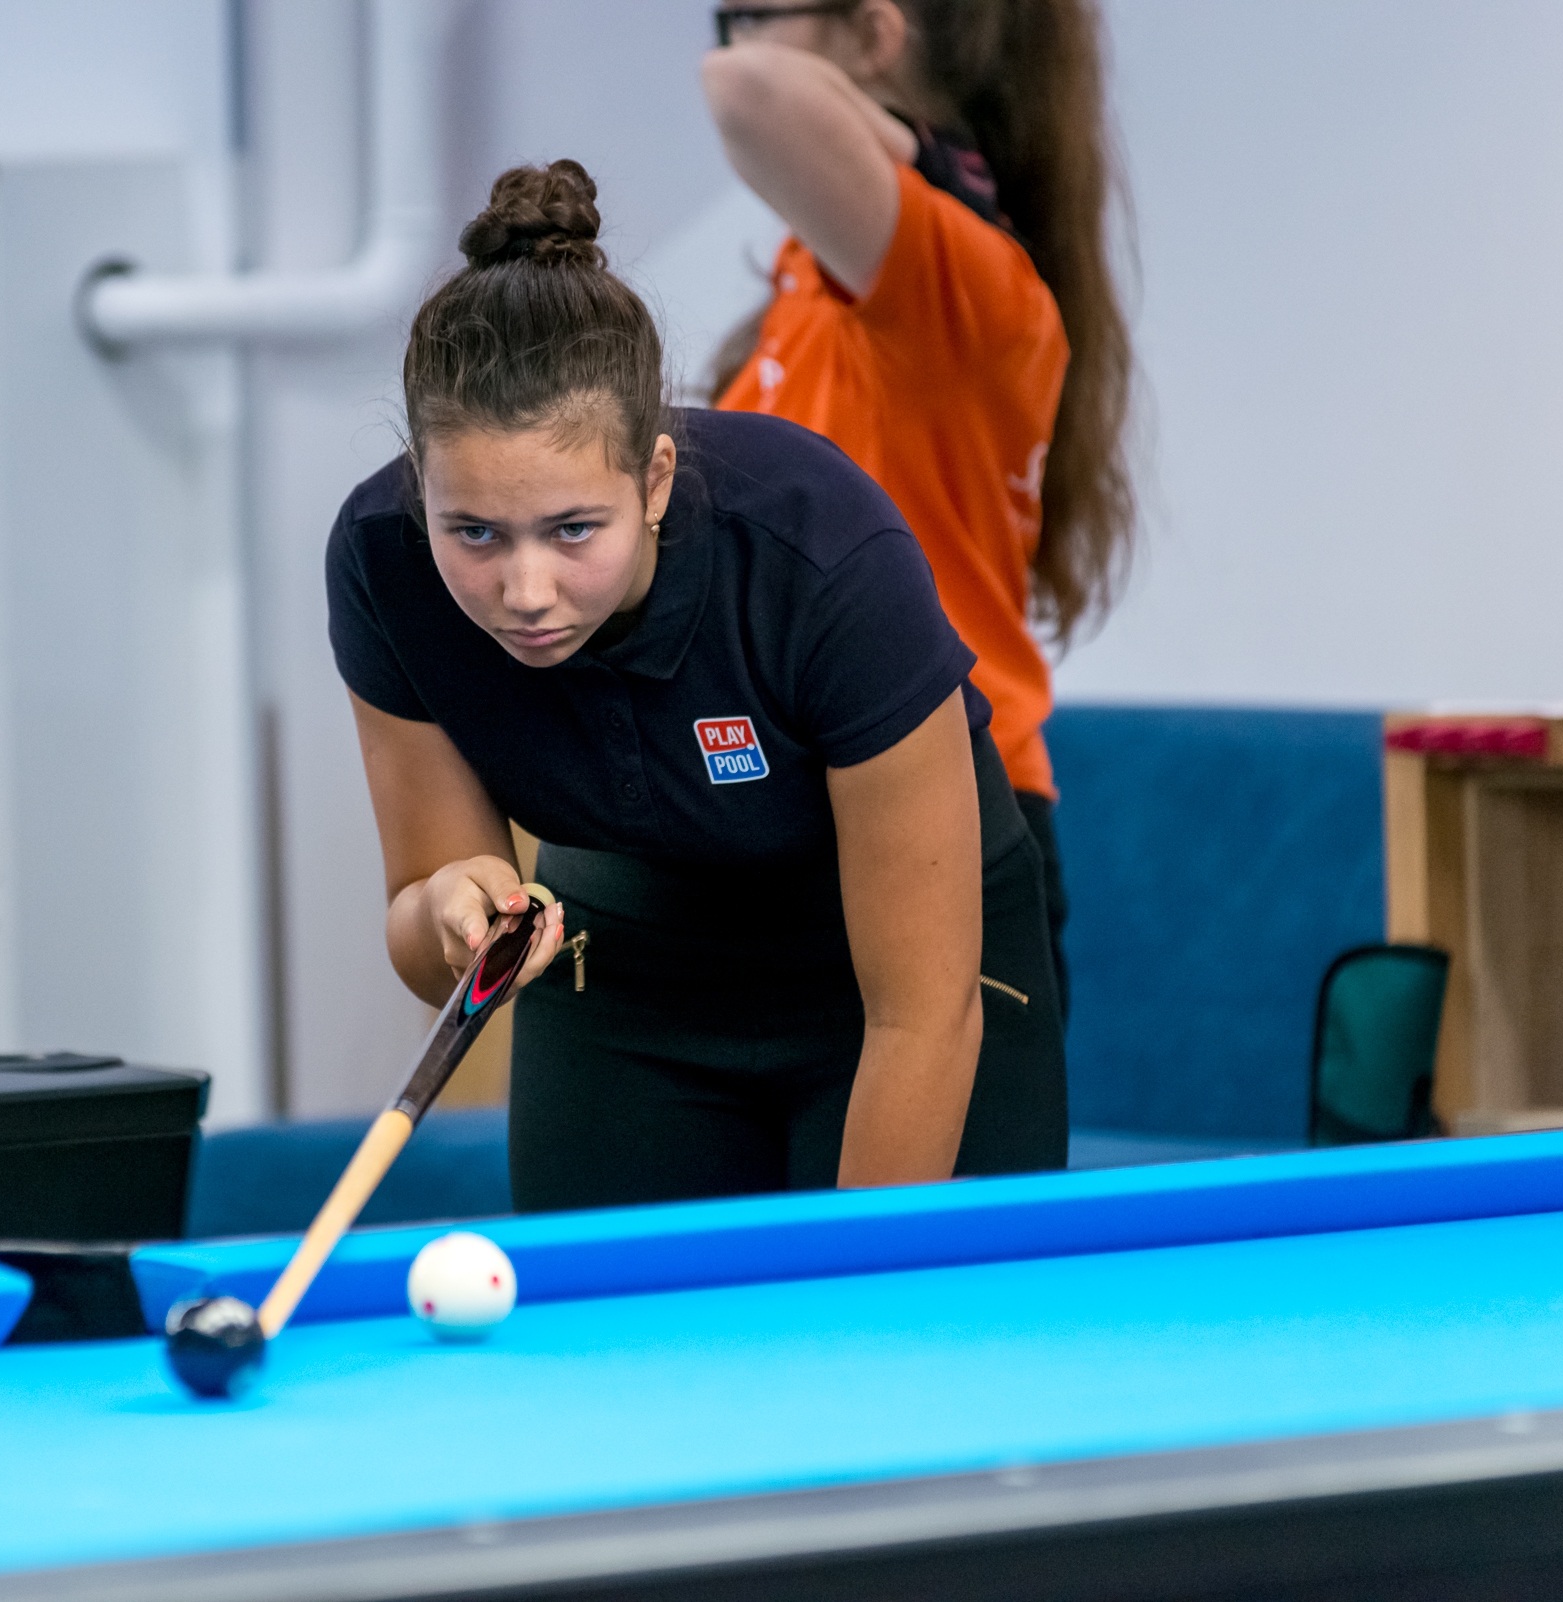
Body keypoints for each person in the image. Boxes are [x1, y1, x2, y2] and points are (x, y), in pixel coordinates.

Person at [329, 161, 1064, 1213]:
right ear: (422, 495)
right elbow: (421, 928)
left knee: (874, 1311)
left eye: (573, 530)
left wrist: (853, 1288)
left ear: (656, 480)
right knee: (607, 1323)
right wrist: (450, 912)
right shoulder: (382, 563)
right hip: (628, 973)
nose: (525, 592)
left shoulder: (822, 553)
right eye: (475, 533)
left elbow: (920, 1014)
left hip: (899, 984)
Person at [702, 0, 1135, 1018]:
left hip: (949, 804)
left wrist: (906, 143)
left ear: (874, 35)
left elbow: (745, 90)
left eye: (753, 14)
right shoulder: (817, 280)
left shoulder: (963, 277)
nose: (732, 41)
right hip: (784, 821)